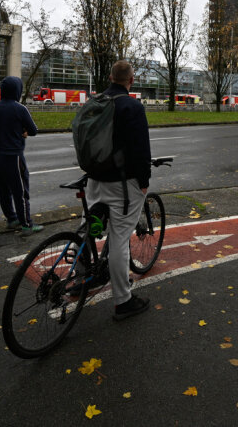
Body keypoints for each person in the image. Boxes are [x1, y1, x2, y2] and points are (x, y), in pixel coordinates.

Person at [84, 60, 152, 321]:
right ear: (131, 81)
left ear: (111, 78)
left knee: (88, 228)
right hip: (121, 184)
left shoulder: (95, 102)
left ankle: (82, 274)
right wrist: (144, 180)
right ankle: (123, 300)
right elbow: (141, 150)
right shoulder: (132, 107)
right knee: (120, 238)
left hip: (94, 179)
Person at [0, 76, 41, 234]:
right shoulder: (19, 108)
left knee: (3, 190)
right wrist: (24, 130)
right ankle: (26, 224)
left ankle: (11, 218)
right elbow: (33, 130)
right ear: (17, 90)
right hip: (13, 156)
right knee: (20, 192)